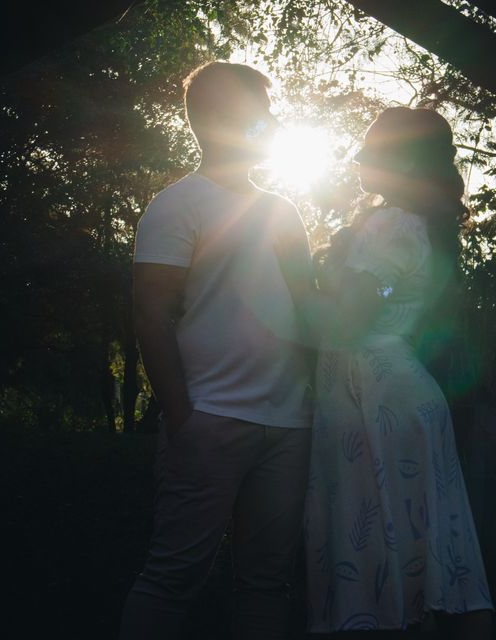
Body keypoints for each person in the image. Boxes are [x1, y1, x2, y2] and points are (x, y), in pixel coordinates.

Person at [119, 62, 314, 640]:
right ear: (216, 120)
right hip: (210, 418)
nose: (272, 121)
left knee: (266, 583)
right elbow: (149, 313)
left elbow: (309, 311)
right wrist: (182, 416)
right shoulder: (178, 203)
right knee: (173, 575)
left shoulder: (283, 210)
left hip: (288, 424)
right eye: (261, 110)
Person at [287, 108, 493, 639]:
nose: (359, 159)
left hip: (374, 401)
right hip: (403, 395)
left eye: (372, 150)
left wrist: (292, 279)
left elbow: (350, 319)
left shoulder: (388, 223)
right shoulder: (425, 225)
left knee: (378, 554)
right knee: (432, 554)